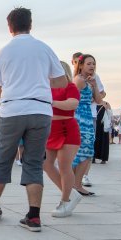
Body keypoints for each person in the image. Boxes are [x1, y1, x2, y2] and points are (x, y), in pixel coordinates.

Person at [0, 7, 66, 232]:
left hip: (12, 109)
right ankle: (34, 216)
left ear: (9, 27)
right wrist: (39, 82)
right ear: (31, 25)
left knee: (3, 158)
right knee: (32, 161)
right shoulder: (44, 48)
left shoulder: (2, 52)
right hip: (40, 109)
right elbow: (61, 82)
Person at [43, 61, 82, 217]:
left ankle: (65, 201)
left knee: (64, 165)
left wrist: (52, 102)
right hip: (50, 129)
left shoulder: (70, 86)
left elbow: (73, 104)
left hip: (67, 128)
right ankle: (71, 194)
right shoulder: (45, 87)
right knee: (46, 164)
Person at [71, 54, 102, 196]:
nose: (92, 66)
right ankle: (75, 185)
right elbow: (71, 99)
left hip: (86, 118)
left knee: (86, 152)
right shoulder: (78, 80)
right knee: (84, 152)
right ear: (81, 65)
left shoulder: (89, 81)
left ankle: (75, 185)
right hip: (79, 119)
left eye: (94, 64)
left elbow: (99, 100)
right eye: (89, 63)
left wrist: (94, 85)